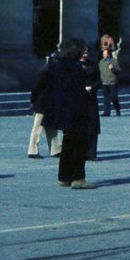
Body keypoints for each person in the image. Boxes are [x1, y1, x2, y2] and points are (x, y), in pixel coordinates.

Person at [44, 38, 98, 188]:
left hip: (59, 110)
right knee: (80, 144)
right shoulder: (77, 69)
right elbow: (78, 92)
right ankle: (78, 178)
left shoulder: (54, 66)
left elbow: (42, 85)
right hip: (76, 111)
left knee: (67, 143)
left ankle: (64, 176)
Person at [28, 55, 63, 159]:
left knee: (51, 127)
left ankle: (55, 149)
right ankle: (32, 150)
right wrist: (33, 101)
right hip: (42, 104)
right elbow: (36, 88)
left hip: (49, 103)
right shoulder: (45, 73)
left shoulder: (53, 73)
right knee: (38, 128)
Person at [79, 45, 102, 161]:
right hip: (77, 99)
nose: (84, 55)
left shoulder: (93, 65)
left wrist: (92, 87)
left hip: (91, 98)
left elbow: (99, 81)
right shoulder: (74, 66)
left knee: (92, 126)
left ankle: (91, 153)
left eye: (86, 53)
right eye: (83, 53)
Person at [98, 35, 122, 116]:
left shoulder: (114, 61)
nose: (104, 55)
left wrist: (113, 69)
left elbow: (118, 71)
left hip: (113, 82)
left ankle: (117, 108)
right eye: (103, 54)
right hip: (104, 82)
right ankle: (106, 112)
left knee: (113, 97)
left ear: (108, 54)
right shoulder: (101, 62)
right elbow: (99, 71)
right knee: (106, 99)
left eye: (105, 54)